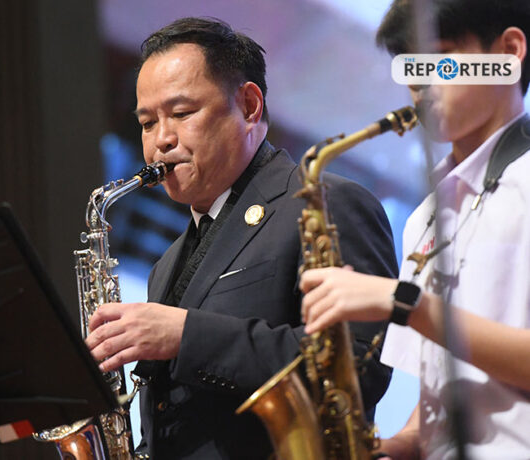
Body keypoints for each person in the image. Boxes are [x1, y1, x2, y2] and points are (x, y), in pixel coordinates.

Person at [86, 17, 398, 459]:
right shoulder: (165, 266)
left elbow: (359, 368)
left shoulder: (326, 205)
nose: (161, 140)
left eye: (181, 113)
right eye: (147, 122)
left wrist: (186, 335)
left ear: (249, 106)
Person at [300, 1, 530, 458]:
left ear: (508, 51)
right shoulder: (426, 215)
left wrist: (405, 303)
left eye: (440, 57)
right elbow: (437, 401)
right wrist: (390, 448)